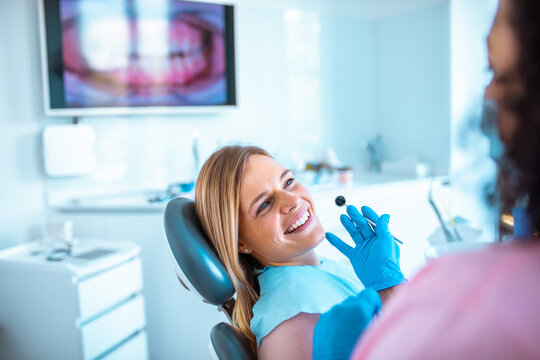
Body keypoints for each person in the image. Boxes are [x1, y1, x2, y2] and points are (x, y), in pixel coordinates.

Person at [313, 0, 540, 358]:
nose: (487, 97)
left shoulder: (480, 306)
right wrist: (390, 286)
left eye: (501, 74)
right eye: (488, 72)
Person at [194, 145, 405, 358]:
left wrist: (388, 284)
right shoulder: (294, 319)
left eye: (288, 182)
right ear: (241, 243)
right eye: (265, 205)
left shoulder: (316, 271)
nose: (293, 200)